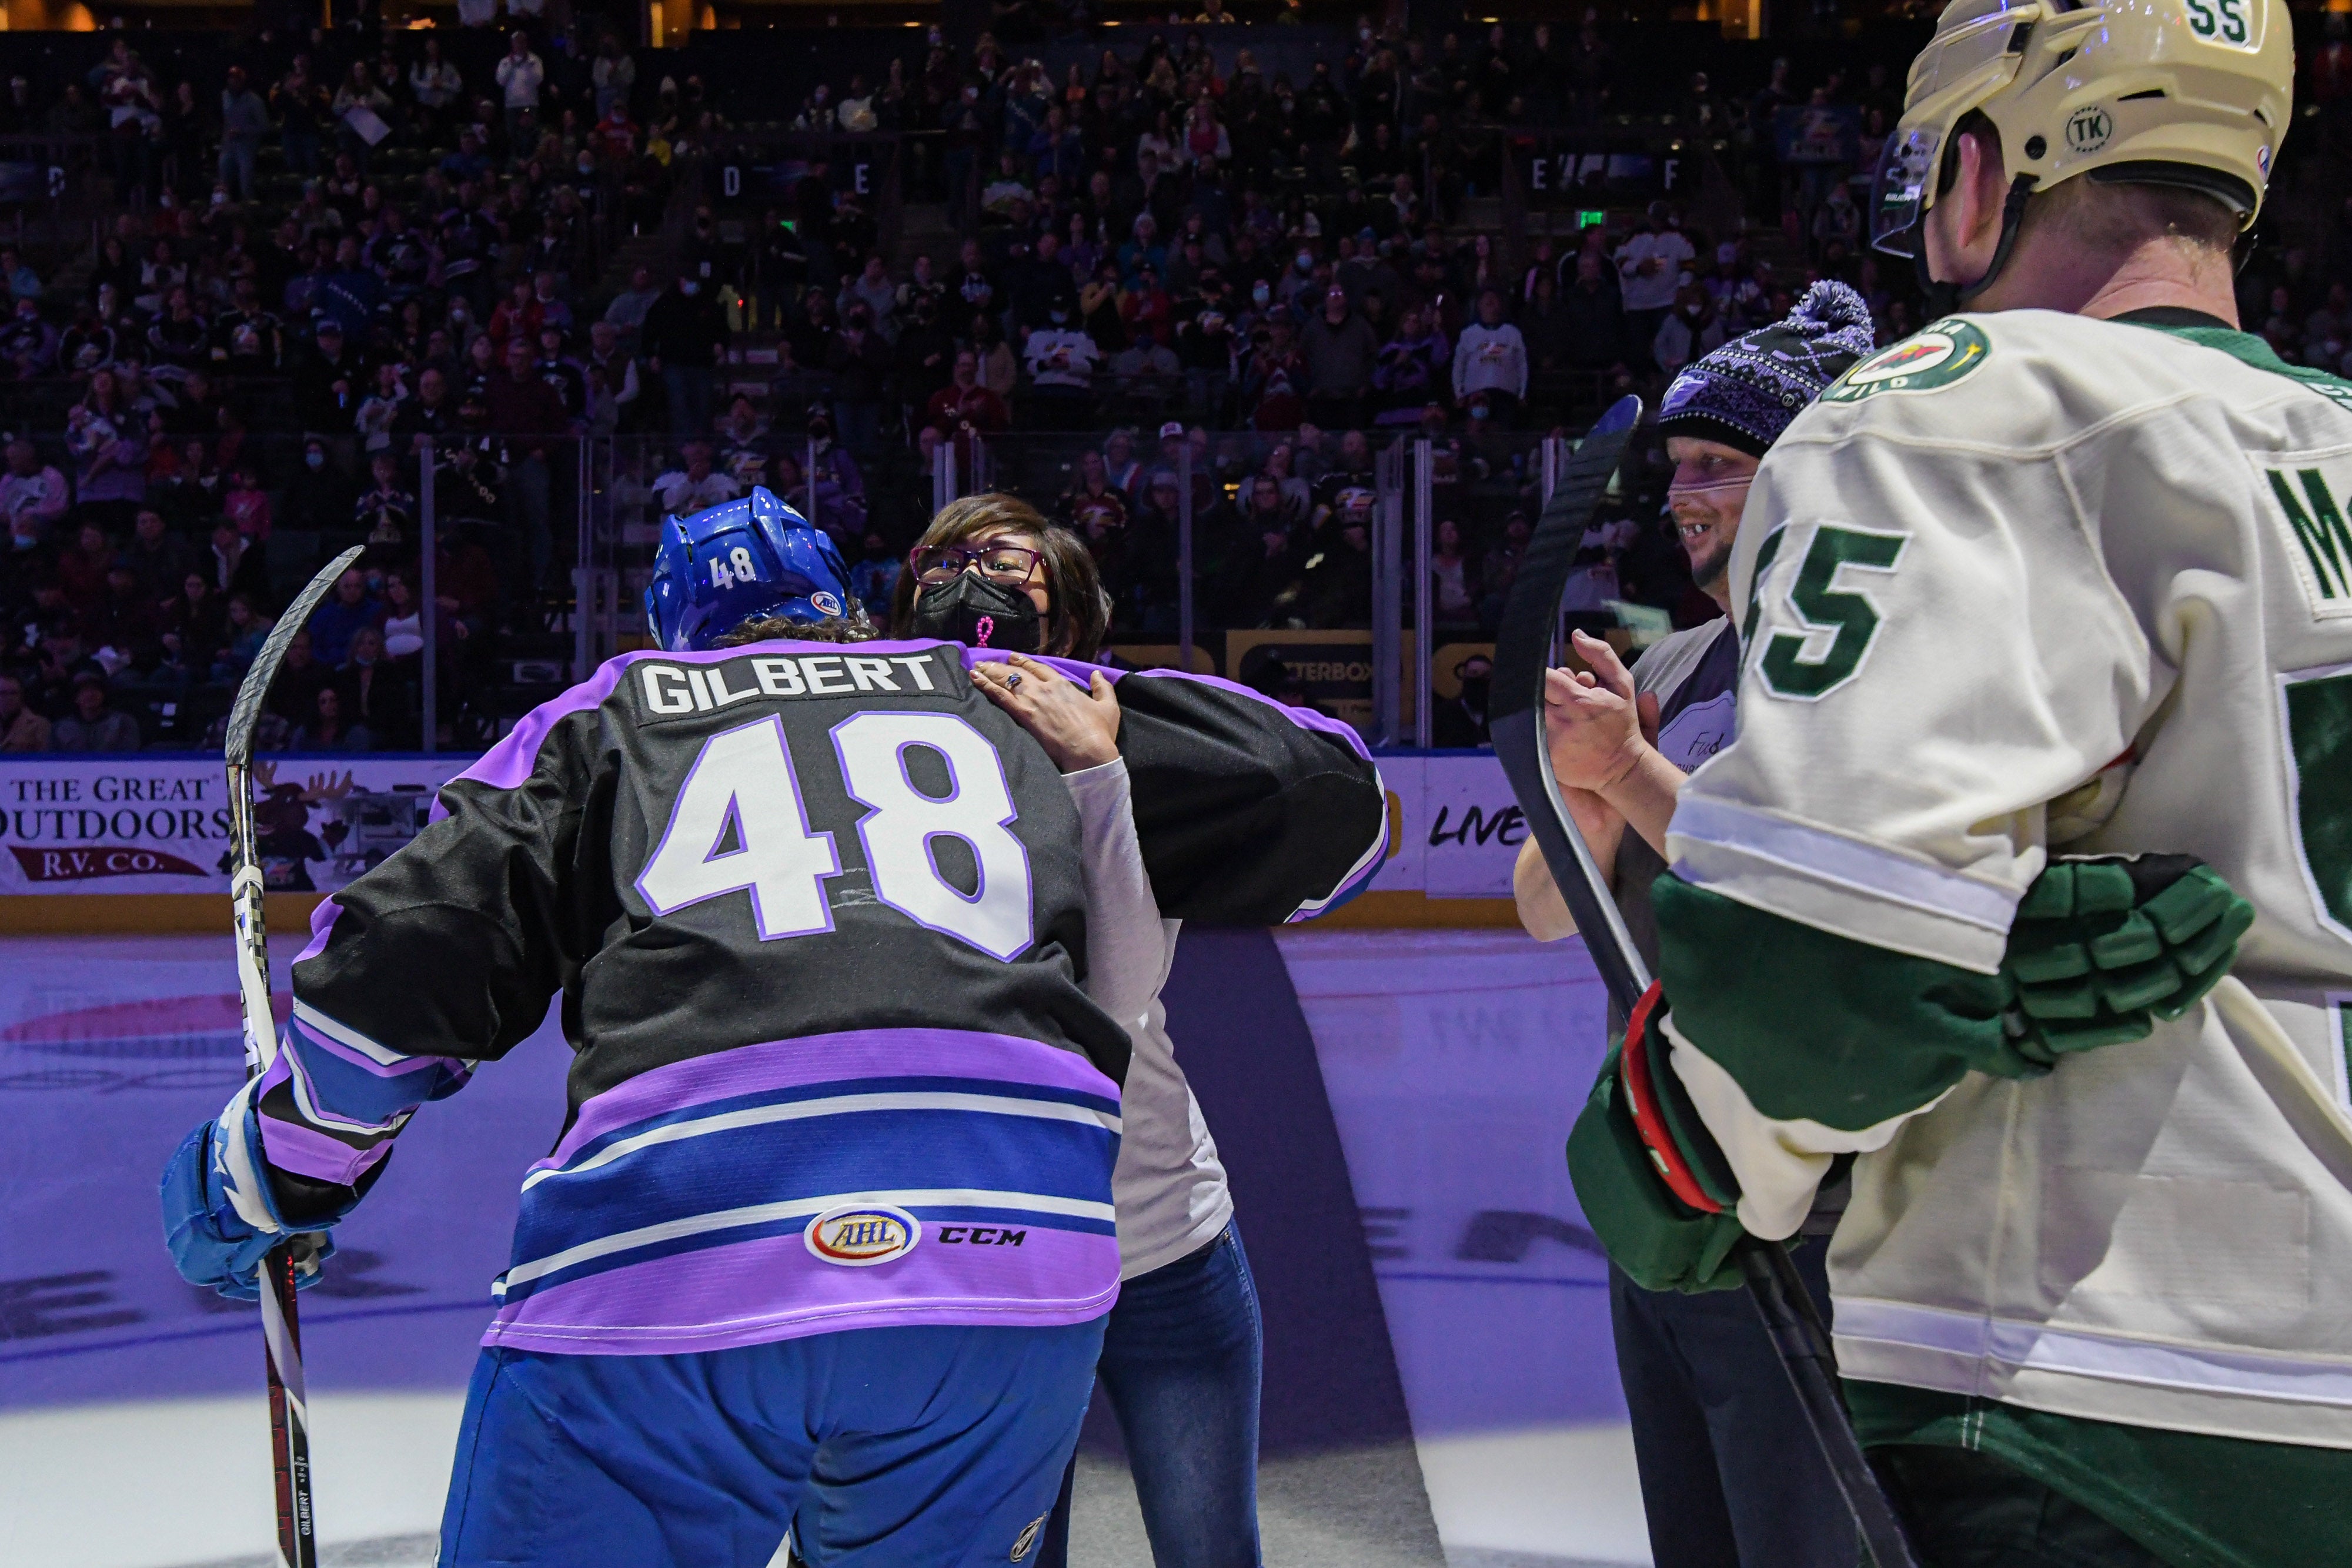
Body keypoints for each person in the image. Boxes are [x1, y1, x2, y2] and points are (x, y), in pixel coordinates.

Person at [161, 486, 1384, 1568]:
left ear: (674, 632)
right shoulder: (1009, 694)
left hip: (681, 1256)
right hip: (1009, 1271)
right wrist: (1108, 721)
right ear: (849, 609)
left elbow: (400, 966)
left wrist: (262, 1181)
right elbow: (1334, 797)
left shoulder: (623, 709)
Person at [1568, 4, 2350, 1564]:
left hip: (2087, 1395)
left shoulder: (1967, 405)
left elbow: (1824, 972)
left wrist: (1659, 1143)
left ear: (1981, 169)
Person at [1513, 281, 1877, 1568]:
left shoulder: (1860, 668)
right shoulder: (1668, 664)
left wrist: (1625, 775)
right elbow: (1542, 907)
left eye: (1719, 463)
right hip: (1654, 1178)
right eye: (1677, 464)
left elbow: (1801, 891)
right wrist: (1590, 796)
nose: (1683, 491)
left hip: (1800, 1203)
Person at [888, 495, 1289, 1568]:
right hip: (981, 1251)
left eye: (1010, 575)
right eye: (954, 562)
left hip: (1160, 1234)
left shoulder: (1117, 746)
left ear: (1065, 632)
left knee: (1212, 1549)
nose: (975, 587)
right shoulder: (857, 754)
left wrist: (1096, 776)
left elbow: (1111, 1006)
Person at [52, 671, 139, 752]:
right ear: (75, 698)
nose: (90, 695)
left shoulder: (123, 722)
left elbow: (129, 758)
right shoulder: (61, 727)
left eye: (95, 689)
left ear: (103, 695)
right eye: (84, 691)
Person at [0, 670, 51, 751]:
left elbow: (43, 760)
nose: (9, 698)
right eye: (3, 693)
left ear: (21, 696)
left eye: (13, 693)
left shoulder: (39, 725)